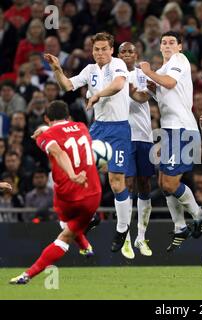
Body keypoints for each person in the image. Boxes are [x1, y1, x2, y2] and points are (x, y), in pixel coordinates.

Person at [44, 32, 132, 253]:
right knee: (79, 169)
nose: (100, 53)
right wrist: (57, 69)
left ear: (111, 50)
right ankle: (90, 216)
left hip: (119, 128)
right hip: (98, 128)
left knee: (116, 181)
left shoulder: (118, 64)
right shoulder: (90, 70)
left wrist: (96, 95)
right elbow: (67, 86)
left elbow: (119, 85)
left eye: (104, 49)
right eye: (96, 49)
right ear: (92, 51)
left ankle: (122, 230)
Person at [9, 100, 101, 285]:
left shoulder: (48, 135)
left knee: (63, 223)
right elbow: (65, 132)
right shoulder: (82, 126)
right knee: (68, 232)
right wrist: (45, 128)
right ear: (68, 116)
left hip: (68, 194)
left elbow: (59, 152)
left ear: (46, 118)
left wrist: (73, 175)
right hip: (93, 193)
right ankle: (85, 246)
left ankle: (28, 274)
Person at [138, 31, 202, 252]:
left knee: (170, 184)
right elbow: (166, 93)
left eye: (171, 42)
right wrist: (151, 89)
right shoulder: (163, 69)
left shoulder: (179, 60)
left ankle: (198, 215)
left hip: (183, 130)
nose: (167, 45)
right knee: (163, 183)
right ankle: (179, 227)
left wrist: (148, 72)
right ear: (159, 47)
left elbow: (169, 83)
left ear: (179, 46)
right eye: (164, 42)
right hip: (169, 130)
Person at [117, 42, 154, 259]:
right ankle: (127, 238)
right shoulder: (113, 75)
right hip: (124, 137)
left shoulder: (143, 75)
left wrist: (138, 92)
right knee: (127, 184)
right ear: (118, 54)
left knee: (145, 184)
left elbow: (147, 96)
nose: (127, 54)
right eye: (123, 51)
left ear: (136, 55)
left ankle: (142, 235)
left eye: (130, 51)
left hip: (145, 135)